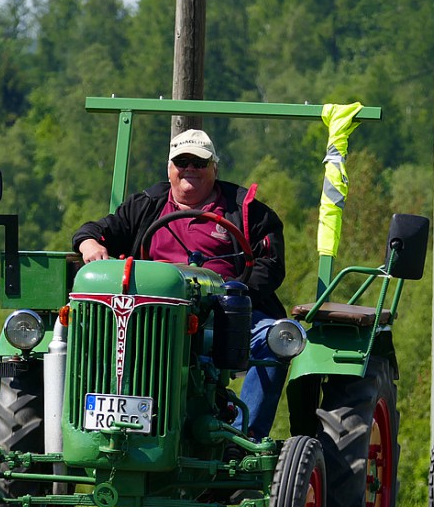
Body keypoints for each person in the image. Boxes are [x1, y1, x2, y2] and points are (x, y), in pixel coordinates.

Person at [72, 128, 287, 440]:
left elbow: (271, 264)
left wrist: (232, 293)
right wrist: (89, 243)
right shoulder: (147, 204)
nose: (189, 168)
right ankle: (95, 427)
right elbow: (100, 228)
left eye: (198, 163)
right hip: (150, 314)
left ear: (214, 167)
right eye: (181, 161)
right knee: (76, 334)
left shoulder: (246, 209)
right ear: (169, 167)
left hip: (222, 315)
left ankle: (242, 439)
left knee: (274, 338)